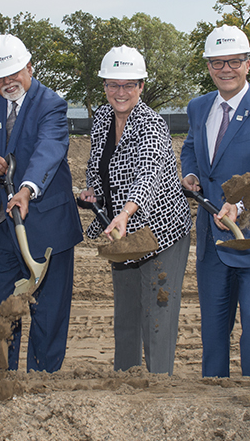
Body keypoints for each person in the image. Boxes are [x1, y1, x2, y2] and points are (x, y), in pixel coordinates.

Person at [0, 34, 83, 372]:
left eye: (13, 74)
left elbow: (49, 149)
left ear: (29, 67)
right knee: (0, 308)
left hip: (47, 228)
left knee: (48, 313)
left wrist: (27, 189)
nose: (6, 83)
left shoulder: (51, 104)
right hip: (1, 228)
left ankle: (42, 380)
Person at [180, 25, 250, 377]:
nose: (225, 69)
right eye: (217, 63)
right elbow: (190, 149)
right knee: (214, 330)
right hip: (213, 238)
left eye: (233, 61)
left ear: (248, 63)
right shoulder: (199, 108)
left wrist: (239, 207)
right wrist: (192, 174)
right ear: (208, 66)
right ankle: (214, 393)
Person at [79, 46, 192, 374]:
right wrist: (94, 191)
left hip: (159, 231)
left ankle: (159, 387)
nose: (120, 92)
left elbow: (149, 173)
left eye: (129, 85)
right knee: (126, 314)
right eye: (113, 85)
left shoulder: (151, 124)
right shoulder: (102, 118)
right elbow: (99, 163)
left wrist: (126, 212)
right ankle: (125, 382)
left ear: (141, 86)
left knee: (157, 315)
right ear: (104, 87)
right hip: (122, 231)